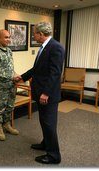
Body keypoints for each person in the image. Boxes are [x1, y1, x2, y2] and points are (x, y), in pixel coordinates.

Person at [16, 22, 64, 164]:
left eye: (35, 33)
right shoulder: (44, 47)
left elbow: (55, 73)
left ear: (41, 34)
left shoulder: (56, 48)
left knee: (49, 123)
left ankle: (54, 155)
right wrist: (22, 77)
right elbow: (36, 69)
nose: (34, 36)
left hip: (47, 95)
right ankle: (46, 144)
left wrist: (46, 93)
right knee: (44, 122)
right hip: (41, 92)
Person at [0, 29, 19, 141]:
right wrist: (11, 76)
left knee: (10, 106)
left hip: (11, 85)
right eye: (6, 37)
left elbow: (10, 68)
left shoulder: (9, 51)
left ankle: (7, 124)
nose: (8, 39)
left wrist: (17, 75)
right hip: (0, 87)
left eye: (9, 37)